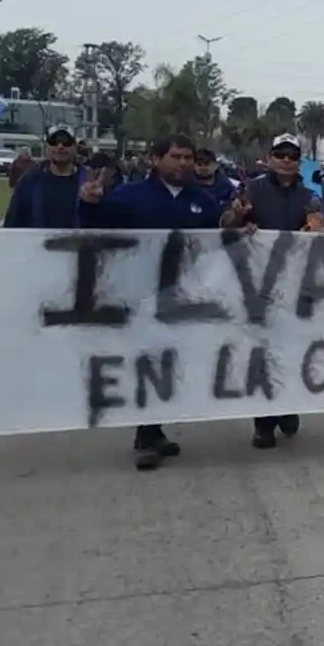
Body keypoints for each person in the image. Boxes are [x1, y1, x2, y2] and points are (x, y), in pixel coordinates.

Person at [79, 134, 228, 471]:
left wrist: (234, 227)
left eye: (188, 157)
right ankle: (146, 436)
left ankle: (155, 428)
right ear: (155, 159)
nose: (184, 163)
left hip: (182, 296)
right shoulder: (129, 197)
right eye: (175, 156)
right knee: (147, 363)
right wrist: (88, 205)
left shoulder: (202, 201)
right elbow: (95, 231)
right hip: (138, 294)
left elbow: (217, 242)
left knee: (171, 364)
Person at [221, 134, 323, 449]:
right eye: (280, 154)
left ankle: (288, 407)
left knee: (291, 351)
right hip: (258, 285)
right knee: (262, 353)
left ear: (299, 161)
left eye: (293, 156)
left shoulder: (311, 195)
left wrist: (316, 230)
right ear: (269, 157)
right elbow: (225, 225)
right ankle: (263, 422)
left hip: (296, 284)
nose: (286, 161)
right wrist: (239, 218)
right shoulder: (251, 189)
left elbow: (319, 229)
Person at [2, 128, 89, 228]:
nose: (60, 147)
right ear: (47, 147)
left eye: (66, 142)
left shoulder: (88, 181)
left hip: (77, 242)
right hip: (38, 242)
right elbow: (13, 221)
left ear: (75, 147)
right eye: (54, 142)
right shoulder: (29, 181)